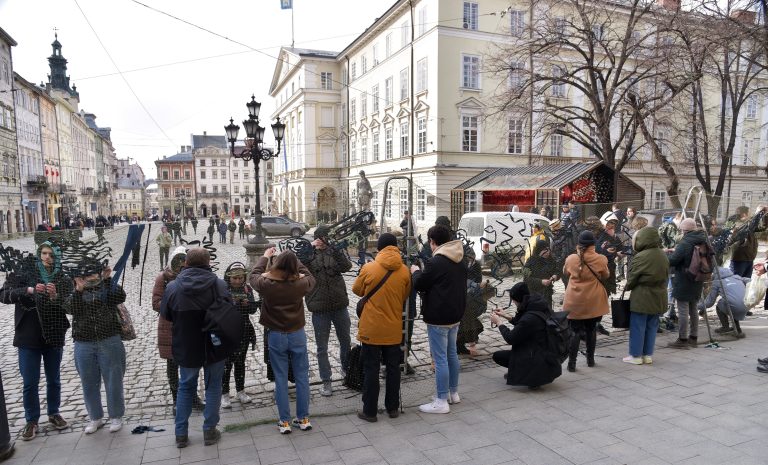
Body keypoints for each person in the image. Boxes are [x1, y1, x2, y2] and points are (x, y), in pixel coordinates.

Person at [0, 242, 72, 441]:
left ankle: (54, 413)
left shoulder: (62, 277)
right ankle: (31, 420)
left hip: (54, 334)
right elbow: (4, 295)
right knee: (30, 382)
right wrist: (29, 290)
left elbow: (70, 302)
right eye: (44, 253)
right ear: (39, 254)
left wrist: (56, 295)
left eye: (51, 254)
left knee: (54, 379)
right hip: (28, 336)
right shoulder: (24, 271)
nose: (47, 257)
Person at [160, 248, 228, 448]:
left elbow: (166, 314)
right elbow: (228, 312)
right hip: (213, 344)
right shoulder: (219, 284)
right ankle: (209, 430)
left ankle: (181, 433)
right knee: (214, 386)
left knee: (185, 386)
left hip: (186, 343)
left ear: (186, 263)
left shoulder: (173, 287)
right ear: (209, 262)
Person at [250, 249, 315, 434]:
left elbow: (253, 275)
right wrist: (295, 260)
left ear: (276, 265)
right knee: (302, 376)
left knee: (280, 378)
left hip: (276, 334)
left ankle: (284, 421)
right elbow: (311, 276)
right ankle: (303, 418)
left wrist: (264, 256)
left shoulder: (267, 283)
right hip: (297, 333)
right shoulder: (301, 282)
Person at [353, 233, 412, 422]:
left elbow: (356, 290)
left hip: (371, 329)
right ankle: (392, 408)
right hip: (393, 329)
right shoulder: (404, 271)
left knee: (371, 369)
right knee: (393, 369)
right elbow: (404, 295)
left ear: (379, 248)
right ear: (396, 248)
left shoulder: (369, 268)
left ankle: (370, 412)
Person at [411, 225, 467, 414]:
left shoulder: (436, 262)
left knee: (440, 358)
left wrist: (415, 271)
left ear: (433, 242)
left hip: (439, 316)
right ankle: (454, 393)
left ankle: (441, 401)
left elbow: (420, 283)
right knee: (451, 354)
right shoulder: (460, 258)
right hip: (455, 314)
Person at [69, 261, 127, 434]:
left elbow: (119, 297)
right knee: (88, 381)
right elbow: (70, 308)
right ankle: (95, 417)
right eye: (86, 274)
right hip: (84, 342)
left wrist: (109, 280)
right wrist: (78, 290)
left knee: (113, 379)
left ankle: (116, 416)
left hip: (109, 339)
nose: (90, 278)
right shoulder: (75, 290)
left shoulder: (106, 287)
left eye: (93, 273)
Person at [299, 226, 353, 397]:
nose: (322, 241)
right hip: (319, 308)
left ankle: (347, 371)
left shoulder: (334, 251)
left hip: (339, 305)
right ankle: (326, 381)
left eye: (325, 238)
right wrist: (309, 250)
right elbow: (298, 268)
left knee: (345, 341)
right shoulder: (308, 254)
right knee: (322, 347)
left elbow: (347, 266)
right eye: (320, 238)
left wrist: (335, 250)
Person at [152, 247, 204, 412]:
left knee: (191, 365)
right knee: (173, 367)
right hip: (170, 328)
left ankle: (193, 397)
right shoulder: (163, 278)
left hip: (189, 328)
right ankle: (176, 400)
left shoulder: (192, 276)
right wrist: (174, 305)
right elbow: (156, 303)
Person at [489, 283, 561, 388]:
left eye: (513, 300)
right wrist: (505, 315)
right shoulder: (537, 305)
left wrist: (499, 322)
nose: (512, 302)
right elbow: (523, 324)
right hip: (546, 353)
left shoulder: (529, 318)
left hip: (537, 358)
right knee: (513, 353)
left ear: (517, 299)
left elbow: (511, 338)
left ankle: (530, 376)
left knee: (498, 356)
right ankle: (526, 371)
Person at [563, 230, 609, 372]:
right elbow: (606, 275)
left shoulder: (571, 258)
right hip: (593, 301)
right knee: (591, 329)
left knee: (574, 331)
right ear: (593, 244)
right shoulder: (601, 259)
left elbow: (565, 272)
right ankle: (590, 360)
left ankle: (572, 363)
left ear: (579, 244)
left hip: (574, 300)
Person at [623, 227, 669, 365]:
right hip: (659, 294)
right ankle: (647, 355)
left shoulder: (641, 256)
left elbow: (632, 278)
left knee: (638, 325)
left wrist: (627, 286)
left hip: (642, 295)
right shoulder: (662, 254)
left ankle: (636, 356)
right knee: (652, 326)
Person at [221, 263, 258, 409]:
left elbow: (253, 309)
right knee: (226, 364)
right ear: (229, 278)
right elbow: (217, 309)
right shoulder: (222, 289)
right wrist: (232, 303)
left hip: (243, 330)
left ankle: (240, 391)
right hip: (226, 331)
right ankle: (224, 393)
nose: (237, 281)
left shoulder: (247, 289)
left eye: (240, 278)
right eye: (234, 278)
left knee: (240, 362)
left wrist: (246, 304)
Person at [666, 218, 708, 348]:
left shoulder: (685, 243)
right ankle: (693, 337)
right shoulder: (703, 240)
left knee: (683, 310)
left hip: (684, 278)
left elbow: (673, 261)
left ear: (684, 230)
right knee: (693, 308)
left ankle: (682, 339)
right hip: (697, 278)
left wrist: (667, 254)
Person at [698, 266, 750, 336]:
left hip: (735, 306)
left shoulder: (717, 282)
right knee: (730, 301)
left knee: (721, 304)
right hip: (746, 306)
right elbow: (751, 280)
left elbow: (709, 302)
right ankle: (737, 328)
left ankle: (725, 327)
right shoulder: (737, 277)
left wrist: (695, 306)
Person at [727, 205, 768, 278]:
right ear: (744, 215)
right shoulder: (737, 223)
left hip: (749, 259)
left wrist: (765, 214)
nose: (751, 215)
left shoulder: (751, 224)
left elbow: (762, 227)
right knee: (735, 282)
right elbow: (748, 226)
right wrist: (758, 213)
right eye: (750, 213)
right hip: (739, 260)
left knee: (744, 283)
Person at [457, 248, 485, 356]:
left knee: (472, 324)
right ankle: (463, 344)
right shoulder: (460, 265)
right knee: (467, 323)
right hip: (462, 298)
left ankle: (459, 345)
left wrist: (476, 287)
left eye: (472, 257)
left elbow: (478, 278)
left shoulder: (475, 265)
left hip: (471, 296)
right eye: (468, 257)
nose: (470, 259)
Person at [522, 239, 559, 309]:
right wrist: (541, 282)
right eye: (545, 251)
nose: (547, 253)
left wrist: (555, 276)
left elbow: (557, 270)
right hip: (534, 295)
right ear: (539, 250)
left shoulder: (551, 260)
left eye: (548, 250)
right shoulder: (530, 261)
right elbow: (526, 279)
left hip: (547, 294)